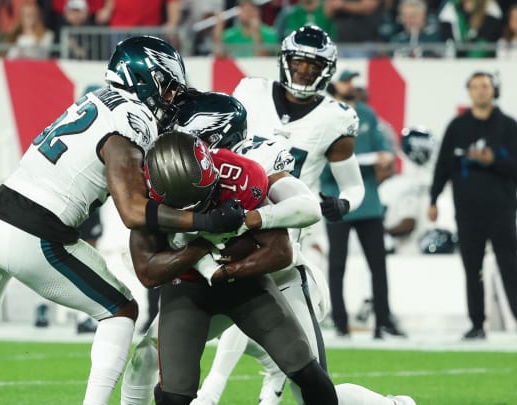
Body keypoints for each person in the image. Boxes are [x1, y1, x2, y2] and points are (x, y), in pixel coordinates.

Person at [0, 36, 245, 405]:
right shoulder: (134, 117)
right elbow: (131, 212)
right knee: (121, 310)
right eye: (168, 86)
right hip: (35, 231)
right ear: (143, 79)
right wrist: (205, 221)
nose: (172, 97)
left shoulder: (96, 99)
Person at [125, 91, 414, 405]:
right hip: (196, 283)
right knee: (146, 360)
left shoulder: (251, 162)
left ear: (209, 137)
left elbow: (305, 209)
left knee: (309, 385)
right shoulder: (163, 168)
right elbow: (146, 262)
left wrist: (249, 220)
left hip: (275, 276)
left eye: (187, 133)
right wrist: (203, 240)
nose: (177, 140)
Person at [130, 130, 337, 405]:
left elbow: (280, 251)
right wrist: (202, 244)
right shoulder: (141, 198)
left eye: (202, 198)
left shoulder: (239, 175)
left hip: (246, 284)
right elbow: (147, 273)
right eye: (184, 209)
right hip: (187, 288)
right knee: (174, 394)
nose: (197, 209)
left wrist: (229, 266)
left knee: (306, 370)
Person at [428, 71, 517, 340]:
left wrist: (494, 162)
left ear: (493, 90)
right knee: (472, 268)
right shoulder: (457, 127)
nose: (481, 91)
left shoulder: (509, 126)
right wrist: (433, 198)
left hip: (501, 209)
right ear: (469, 91)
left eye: (485, 86)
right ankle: (477, 323)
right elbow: (443, 165)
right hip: (467, 211)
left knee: (510, 266)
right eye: (476, 86)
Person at [322, 69, 405, 340]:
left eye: (351, 81)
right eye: (345, 80)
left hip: (368, 202)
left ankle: (383, 321)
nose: (350, 85)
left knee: (378, 264)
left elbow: (384, 151)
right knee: (337, 265)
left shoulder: (367, 114)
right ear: (333, 84)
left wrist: (384, 160)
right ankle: (341, 324)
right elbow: (321, 163)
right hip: (336, 199)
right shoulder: (324, 117)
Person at [381, 126, 436, 254]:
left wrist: (377, 231)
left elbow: (408, 223)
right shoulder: (394, 185)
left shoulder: (402, 184)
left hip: (407, 253)